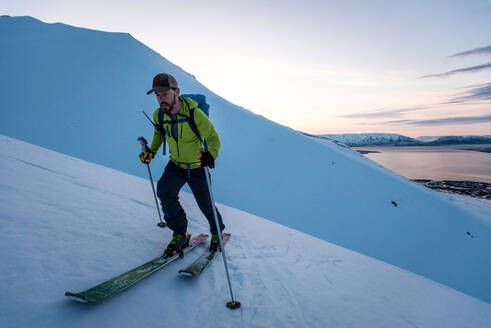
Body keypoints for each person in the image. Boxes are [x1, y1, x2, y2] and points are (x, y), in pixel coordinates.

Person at [139, 73, 225, 256]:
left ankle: (217, 232)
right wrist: (150, 152)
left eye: (164, 93)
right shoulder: (159, 115)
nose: (161, 99)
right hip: (176, 165)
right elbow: (159, 135)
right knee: (164, 192)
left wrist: (211, 155)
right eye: (157, 95)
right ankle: (180, 233)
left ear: (176, 92)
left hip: (197, 166)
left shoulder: (195, 114)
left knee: (206, 204)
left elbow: (213, 138)